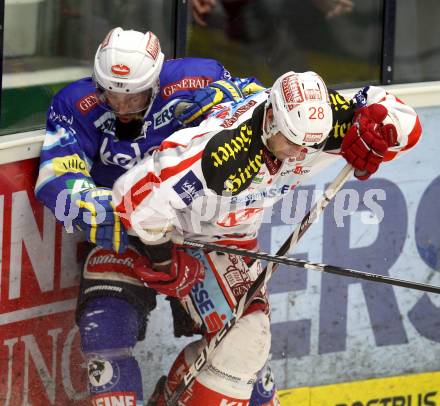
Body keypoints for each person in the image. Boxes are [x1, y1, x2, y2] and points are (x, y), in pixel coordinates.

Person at [112, 71, 422, 405]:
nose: (298, 155)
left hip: (238, 238)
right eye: (291, 141)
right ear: (271, 118)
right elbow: (131, 197)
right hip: (188, 239)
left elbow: (403, 121)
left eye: (309, 146)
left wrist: (383, 126)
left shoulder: (326, 122)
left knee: (247, 350)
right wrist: (166, 263)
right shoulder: (221, 151)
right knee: (244, 341)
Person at [34, 27, 266, 405]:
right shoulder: (74, 104)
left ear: (157, 81)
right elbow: (56, 182)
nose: (122, 106)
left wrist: (231, 100)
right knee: (103, 329)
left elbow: (269, 111)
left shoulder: (200, 78)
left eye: (134, 95)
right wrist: (132, 216)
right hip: (125, 235)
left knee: (243, 345)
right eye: (112, 93)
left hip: (201, 236)